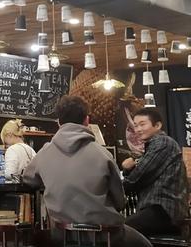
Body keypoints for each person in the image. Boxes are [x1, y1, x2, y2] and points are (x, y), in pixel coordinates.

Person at [23, 95, 150, 247]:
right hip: (106, 236)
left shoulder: (44, 153)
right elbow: (120, 202)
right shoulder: (103, 154)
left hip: (63, 236)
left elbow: (28, 179)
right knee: (145, 244)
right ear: (87, 120)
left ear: (59, 122)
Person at [123, 107, 188, 236]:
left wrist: (118, 182)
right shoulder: (154, 146)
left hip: (163, 209)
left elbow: (138, 177)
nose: (138, 129)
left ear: (157, 125)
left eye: (142, 124)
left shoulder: (163, 142)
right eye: (135, 125)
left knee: (120, 231)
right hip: (158, 210)